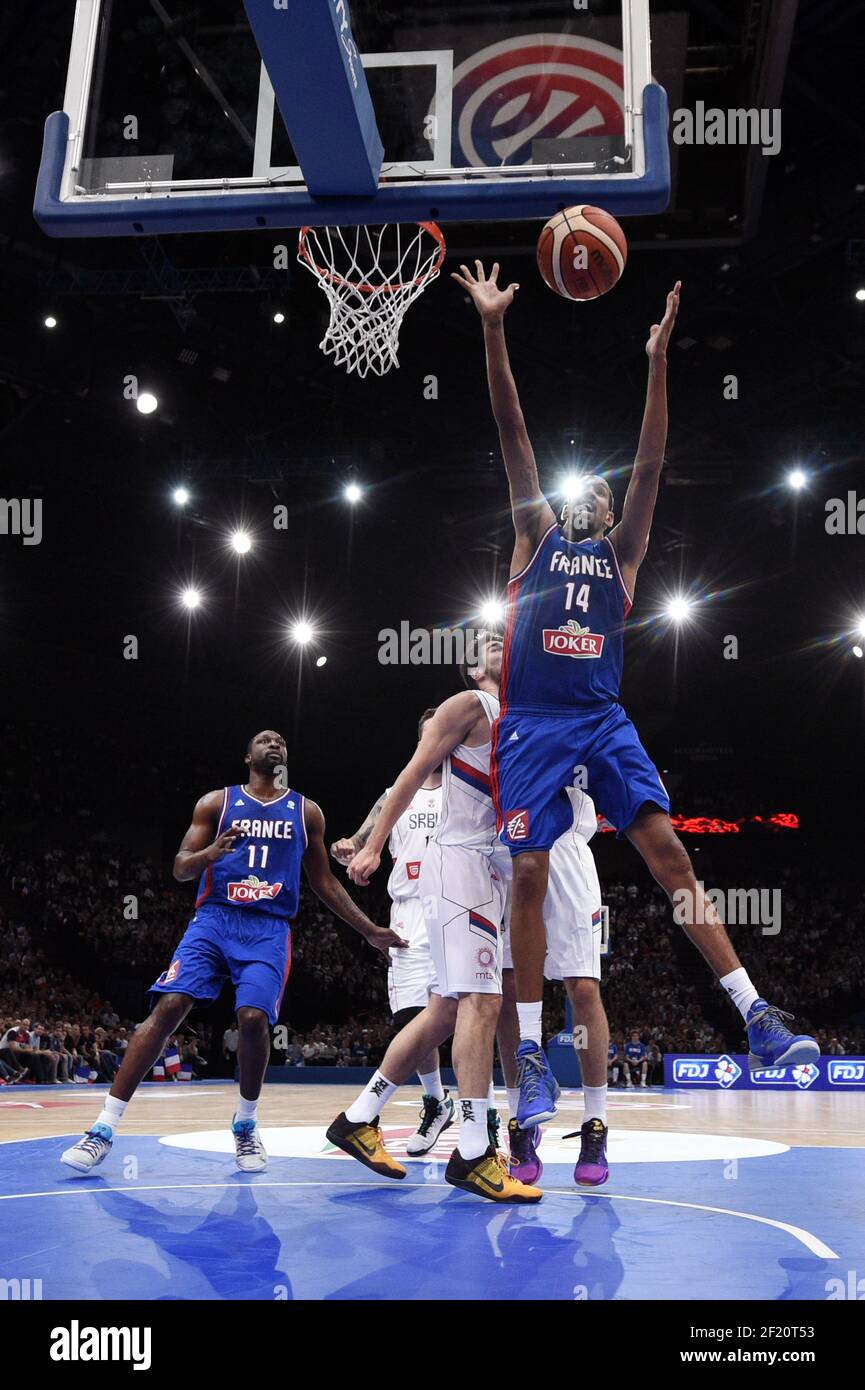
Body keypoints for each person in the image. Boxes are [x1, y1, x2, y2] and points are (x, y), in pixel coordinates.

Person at [454, 260, 819, 1153]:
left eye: (607, 493)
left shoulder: (622, 556)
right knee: (531, 873)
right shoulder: (533, 538)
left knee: (668, 855)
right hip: (535, 725)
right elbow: (511, 430)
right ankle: (533, 1057)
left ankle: (753, 1013)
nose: (597, 495)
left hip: (601, 720)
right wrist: (495, 329)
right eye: (588, 489)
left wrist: (658, 360)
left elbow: (652, 459)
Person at [62, 729, 405, 1176]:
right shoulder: (215, 803)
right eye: (264, 739)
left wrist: (368, 930)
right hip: (214, 920)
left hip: (267, 926)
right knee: (169, 1006)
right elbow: (181, 868)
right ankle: (103, 1128)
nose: (274, 743)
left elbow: (324, 882)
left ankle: (245, 1123)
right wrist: (210, 851)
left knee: (252, 1019)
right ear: (248, 756)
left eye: (281, 740)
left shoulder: (307, 812)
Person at [329, 635, 542, 1203]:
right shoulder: (466, 706)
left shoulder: (522, 715)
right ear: (473, 667)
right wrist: (374, 844)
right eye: (488, 643)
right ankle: (473, 1150)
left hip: (491, 870)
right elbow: (408, 774)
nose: (501, 643)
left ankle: (358, 1117)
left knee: (447, 1010)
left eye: (506, 638)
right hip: (460, 865)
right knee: (483, 1003)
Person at [331, 708, 451, 1155]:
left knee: (463, 1013)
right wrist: (346, 846)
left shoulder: (470, 788)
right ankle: (437, 1101)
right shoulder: (394, 795)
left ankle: (489, 1121)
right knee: (409, 1020)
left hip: (458, 909)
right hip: (408, 914)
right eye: (428, 734)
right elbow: (358, 842)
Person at [497, 783, 612, 1186]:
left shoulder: (590, 719)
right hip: (505, 845)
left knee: (583, 988)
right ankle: (520, 1122)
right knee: (507, 992)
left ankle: (595, 1122)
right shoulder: (488, 721)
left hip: (567, 847)